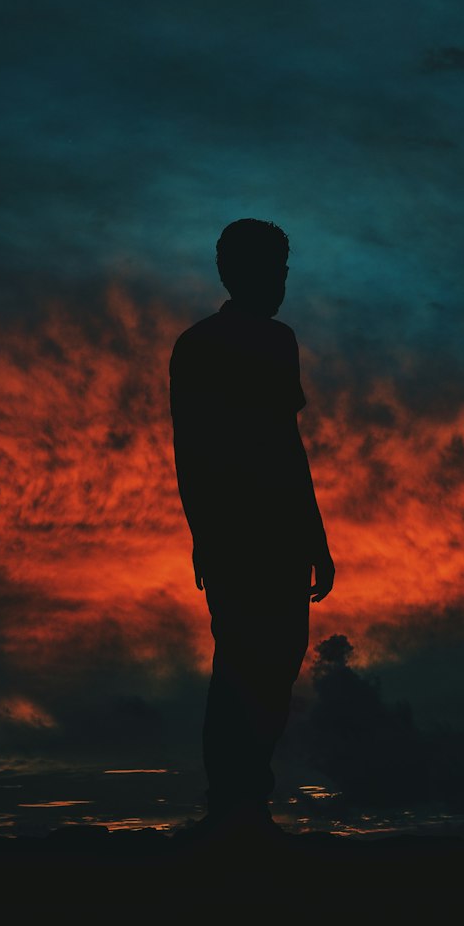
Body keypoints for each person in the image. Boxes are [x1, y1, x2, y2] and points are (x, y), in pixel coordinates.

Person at [169, 218, 335, 840]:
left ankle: (246, 801)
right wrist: (205, 534)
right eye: (271, 270)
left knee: (278, 659)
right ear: (234, 274)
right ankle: (232, 805)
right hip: (238, 530)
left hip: (279, 531)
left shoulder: (277, 341)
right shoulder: (200, 346)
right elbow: (191, 450)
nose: (281, 282)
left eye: (284, 270)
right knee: (242, 660)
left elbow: (288, 445)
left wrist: (314, 536)